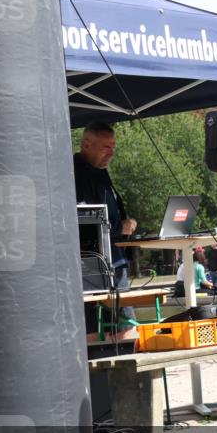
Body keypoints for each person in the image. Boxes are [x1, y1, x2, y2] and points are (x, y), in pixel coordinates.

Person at [74, 122, 138, 340]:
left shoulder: (99, 171)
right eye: (105, 147)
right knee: (99, 327)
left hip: (115, 257)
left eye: (113, 147)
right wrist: (121, 227)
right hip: (93, 263)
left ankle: (128, 366)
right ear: (86, 144)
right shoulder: (76, 171)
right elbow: (84, 218)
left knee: (124, 325)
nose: (111, 153)